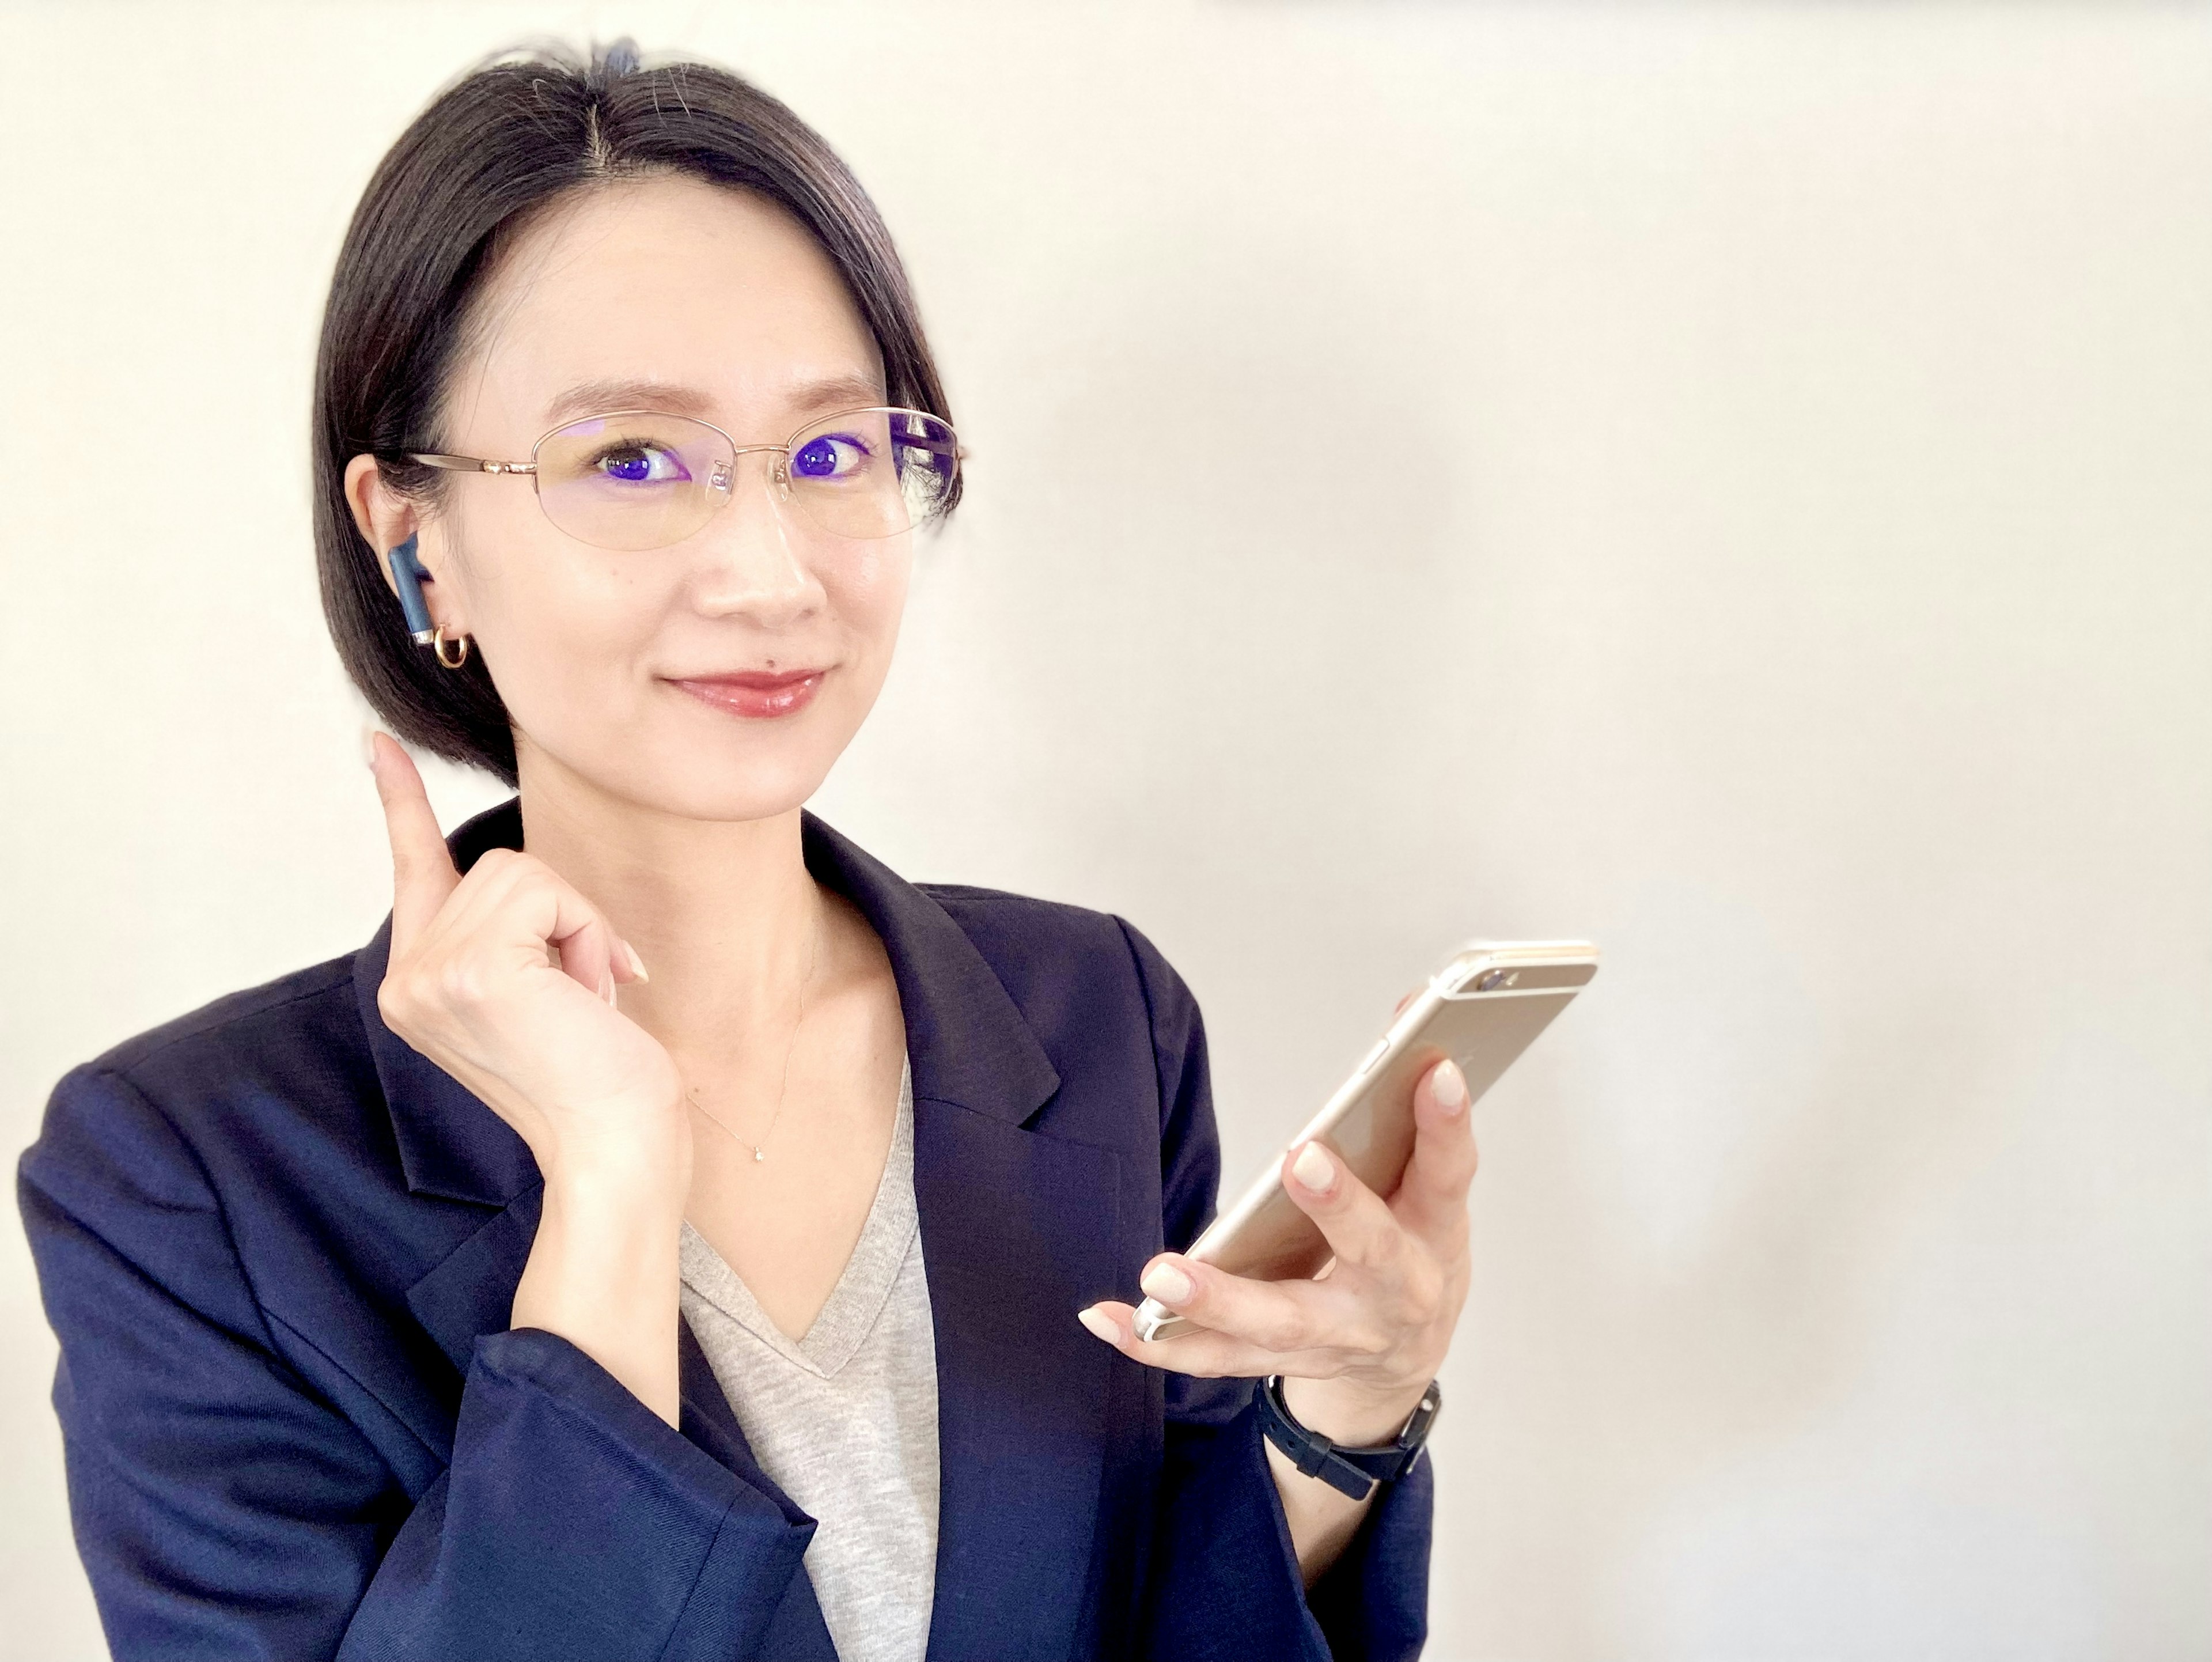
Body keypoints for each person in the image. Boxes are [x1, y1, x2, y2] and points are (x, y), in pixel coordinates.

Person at [17, 40, 1471, 1662]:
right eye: (634, 461)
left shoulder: (1094, 1018)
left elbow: (1159, 1623)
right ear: (413, 537)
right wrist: (614, 1179)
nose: (772, 572)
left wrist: (1345, 1411)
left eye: (834, 456)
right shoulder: (187, 1177)